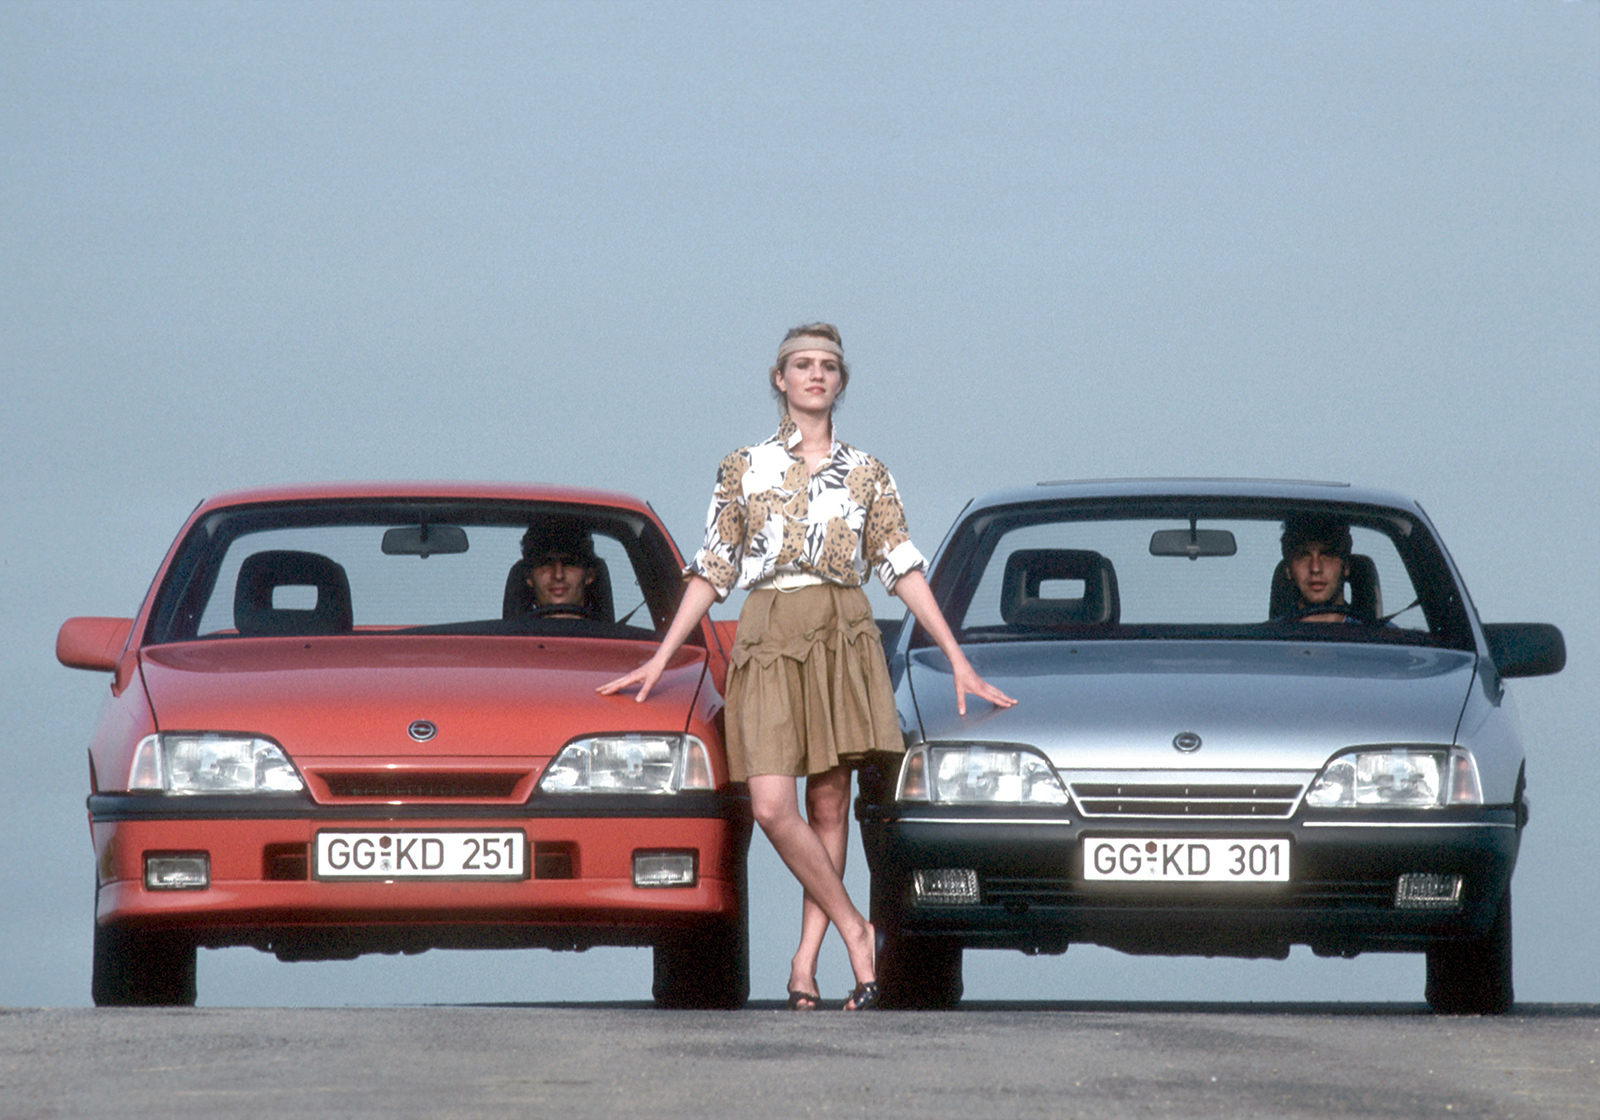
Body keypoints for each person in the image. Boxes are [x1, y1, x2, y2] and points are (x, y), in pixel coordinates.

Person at [599, 323, 1016, 1011]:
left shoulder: (868, 471)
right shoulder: (743, 467)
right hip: (768, 628)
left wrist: (957, 659)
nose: (815, 374)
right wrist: (660, 657)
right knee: (771, 804)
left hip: (840, 628)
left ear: (840, 381)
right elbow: (713, 566)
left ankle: (803, 965)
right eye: (802, 364)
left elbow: (900, 565)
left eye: (827, 365)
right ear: (780, 378)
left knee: (829, 803)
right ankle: (857, 929)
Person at [1278, 514, 1354, 623]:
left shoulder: (1374, 633)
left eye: (1327, 555)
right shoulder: (1264, 633)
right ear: (1288, 570)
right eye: (1303, 556)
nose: (1315, 568)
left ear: (1346, 566)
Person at [520, 518, 598, 618]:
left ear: (590, 574)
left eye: (569, 563)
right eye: (546, 563)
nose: (558, 575)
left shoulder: (612, 629)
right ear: (529, 576)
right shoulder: (506, 629)